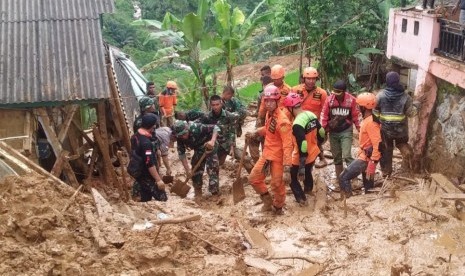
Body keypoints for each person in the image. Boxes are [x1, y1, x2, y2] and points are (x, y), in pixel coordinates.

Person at [246, 85, 293, 215]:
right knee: (254, 178)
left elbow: (287, 145)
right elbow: (268, 129)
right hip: (267, 155)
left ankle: (278, 207)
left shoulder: (283, 122)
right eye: (266, 101)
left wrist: (287, 168)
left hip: (278, 158)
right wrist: (256, 132)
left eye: (272, 101)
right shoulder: (269, 114)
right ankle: (267, 201)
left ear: (277, 101)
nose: (269, 104)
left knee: (277, 184)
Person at [283, 93, 325, 206]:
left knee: (292, 177)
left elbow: (303, 145)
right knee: (308, 171)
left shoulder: (297, 124)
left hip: (301, 156)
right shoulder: (311, 114)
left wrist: (300, 166)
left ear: (290, 108)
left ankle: (301, 199)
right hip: (313, 152)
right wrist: (318, 143)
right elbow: (322, 132)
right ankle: (308, 189)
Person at [373, 71, 418, 176]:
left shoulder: (380, 96)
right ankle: (408, 168)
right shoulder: (405, 97)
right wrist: (417, 105)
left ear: (387, 82)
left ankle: (386, 172)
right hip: (401, 129)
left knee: (386, 149)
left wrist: (379, 122)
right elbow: (411, 113)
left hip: (385, 129)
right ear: (398, 81)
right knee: (402, 144)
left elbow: (375, 113)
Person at [339, 93, 381, 197]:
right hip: (365, 155)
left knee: (343, 177)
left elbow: (378, 143)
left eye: (359, 106)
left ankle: (349, 200)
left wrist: (373, 162)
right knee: (368, 186)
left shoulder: (371, 123)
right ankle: (368, 200)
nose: (357, 108)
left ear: (364, 107)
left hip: (367, 158)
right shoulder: (367, 119)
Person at [321, 80, 360, 184]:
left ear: (344, 92)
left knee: (347, 155)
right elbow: (324, 115)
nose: (336, 95)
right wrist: (323, 129)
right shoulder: (329, 101)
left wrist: (359, 128)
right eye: (335, 92)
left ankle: (353, 177)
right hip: (333, 131)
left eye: (339, 92)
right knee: (336, 156)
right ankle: (340, 179)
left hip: (346, 130)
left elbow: (355, 116)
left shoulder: (351, 100)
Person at [172, 120, 220, 199]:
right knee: (195, 169)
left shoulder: (196, 127)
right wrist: (187, 170)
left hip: (210, 146)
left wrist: (212, 141)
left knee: (212, 167)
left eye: (184, 133)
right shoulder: (180, 138)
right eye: (181, 135)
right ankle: (198, 192)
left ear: (187, 129)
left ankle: (214, 192)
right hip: (198, 149)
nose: (183, 137)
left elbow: (216, 127)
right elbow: (182, 154)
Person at [292, 67, 328, 168]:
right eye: (309, 78)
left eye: (313, 79)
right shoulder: (295, 90)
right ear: (304, 79)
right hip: (299, 123)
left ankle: (320, 159)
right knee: (299, 143)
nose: (311, 81)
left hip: (314, 124)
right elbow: (290, 106)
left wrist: (324, 126)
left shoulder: (322, 93)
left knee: (315, 143)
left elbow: (325, 110)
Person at [130, 113, 167, 202]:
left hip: (137, 170)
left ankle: (140, 197)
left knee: (145, 197)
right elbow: (149, 163)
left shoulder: (135, 136)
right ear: (152, 126)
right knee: (162, 198)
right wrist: (158, 180)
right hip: (146, 173)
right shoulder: (146, 143)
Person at [199, 95, 238, 166]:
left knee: (244, 158)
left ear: (221, 104)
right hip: (213, 145)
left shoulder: (229, 116)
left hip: (226, 145)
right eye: (213, 105)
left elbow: (232, 131)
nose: (215, 107)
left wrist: (232, 146)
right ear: (210, 105)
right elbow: (201, 130)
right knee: (214, 165)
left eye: (217, 104)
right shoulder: (206, 117)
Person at [250, 75, 273, 162]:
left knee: (253, 140)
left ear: (263, 84)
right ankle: (264, 162)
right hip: (268, 123)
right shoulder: (278, 90)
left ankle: (260, 163)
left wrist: (256, 116)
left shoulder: (263, 94)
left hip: (265, 123)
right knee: (265, 143)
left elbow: (260, 113)